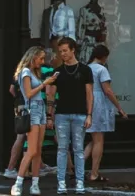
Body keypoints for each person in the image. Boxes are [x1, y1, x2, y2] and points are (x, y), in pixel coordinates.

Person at [50, 38, 94, 193]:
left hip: (80, 113)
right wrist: (51, 115)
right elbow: (51, 95)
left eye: (65, 50)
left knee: (78, 149)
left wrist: (89, 114)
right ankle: (61, 181)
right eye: (60, 51)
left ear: (73, 50)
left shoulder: (85, 70)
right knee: (62, 148)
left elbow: (89, 94)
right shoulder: (58, 72)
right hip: (62, 113)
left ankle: (80, 182)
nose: (63, 54)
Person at [12, 46, 57, 195]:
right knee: (31, 150)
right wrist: (45, 83)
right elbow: (29, 94)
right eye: (41, 58)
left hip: (40, 109)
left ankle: (35, 184)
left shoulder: (34, 73)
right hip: (32, 110)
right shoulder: (25, 72)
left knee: (37, 150)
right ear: (33, 57)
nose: (42, 62)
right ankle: (18, 183)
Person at [87, 44, 127, 183]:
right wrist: (119, 108)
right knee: (99, 140)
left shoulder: (87, 68)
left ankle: (76, 168)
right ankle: (94, 173)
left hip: (87, 103)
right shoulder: (101, 69)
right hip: (99, 104)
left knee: (93, 138)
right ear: (104, 56)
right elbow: (108, 90)